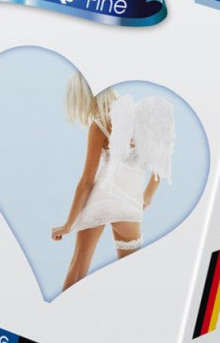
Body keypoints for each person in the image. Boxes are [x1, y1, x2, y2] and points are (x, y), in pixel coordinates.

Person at [51, 72, 174, 292]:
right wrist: (147, 196)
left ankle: (62, 311)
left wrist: (68, 224)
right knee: (130, 272)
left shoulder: (99, 123)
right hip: (129, 204)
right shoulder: (142, 117)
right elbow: (160, 163)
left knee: (78, 268)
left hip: (101, 199)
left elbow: (86, 181)